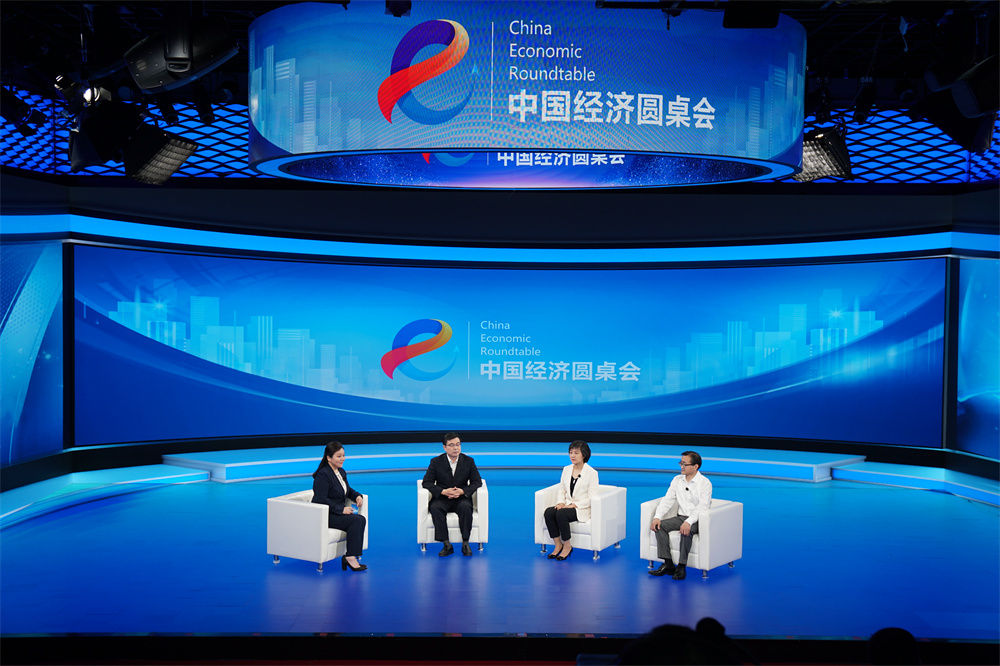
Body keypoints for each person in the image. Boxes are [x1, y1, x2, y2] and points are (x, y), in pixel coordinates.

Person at [649, 450, 712, 580]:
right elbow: (668, 499)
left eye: (685, 464)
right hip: (681, 517)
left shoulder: (705, 483)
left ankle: (682, 566)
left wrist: (689, 522)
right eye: (680, 463)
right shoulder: (677, 480)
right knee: (659, 526)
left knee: (685, 530)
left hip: (697, 519)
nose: (681, 467)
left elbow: (702, 507)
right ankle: (668, 564)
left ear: (695, 466)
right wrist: (657, 516)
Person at [421, 432, 483, 557]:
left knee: (466, 507)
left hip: (461, 498)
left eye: (458, 444)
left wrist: (463, 491)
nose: (456, 448)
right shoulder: (436, 462)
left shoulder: (469, 461)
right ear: (444, 447)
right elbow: (426, 482)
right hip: (443, 498)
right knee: (435, 507)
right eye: (452, 445)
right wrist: (443, 491)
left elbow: (477, 482)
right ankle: (446, 544)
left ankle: (465, 543)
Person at [311, 441, 367, 572]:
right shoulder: (323, 475)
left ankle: (350, 556)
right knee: (357, 520)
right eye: (339, 456)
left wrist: (357, 496)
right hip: (326, 515)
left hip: (336, 514)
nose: (343, 459)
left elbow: (347, 490)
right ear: (329, 458)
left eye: (343, 455)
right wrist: (341, 509)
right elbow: (320, 499)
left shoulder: (341, 471)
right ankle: (350, 557)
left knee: (360, 519)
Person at [542, 440, 599, 561]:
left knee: (561, 513)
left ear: (584, 454)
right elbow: (561, 489)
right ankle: (558, 544)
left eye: (576, 453)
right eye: (571, 452)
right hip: (566, 504)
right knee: (549, 512)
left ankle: (567, 546)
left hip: (581, 508)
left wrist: (574, 505)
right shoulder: (566, 469)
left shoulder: (592, 473)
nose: (572, 455)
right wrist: (560, 502)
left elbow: (592, 498)